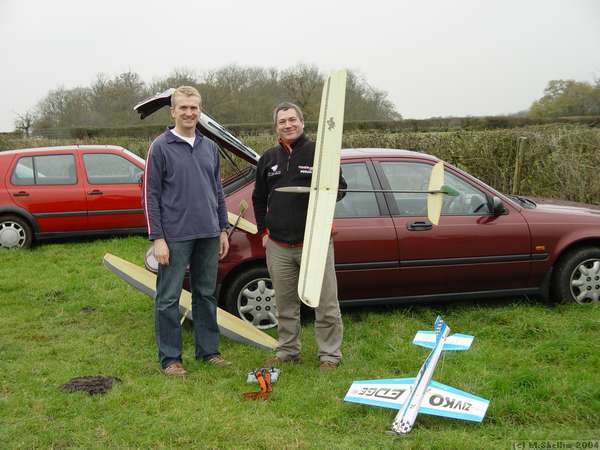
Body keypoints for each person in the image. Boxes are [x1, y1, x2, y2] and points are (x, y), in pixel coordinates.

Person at [252, 102, 346, 372]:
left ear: (302, 122)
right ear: (276, 127)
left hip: (314, 243)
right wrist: (264, 231)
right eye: (282, 121)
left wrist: (329, 187)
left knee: (326, 303)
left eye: (292, 120)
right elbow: (259, 198)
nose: (288, 125)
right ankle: (287, 350)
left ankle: (329, 355)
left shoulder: (320, 153)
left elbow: (340, 190)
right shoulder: (268, 159)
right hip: (279, 245)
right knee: (284, 303)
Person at [143, 86, 231, 376]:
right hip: (175, 237)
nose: (189, 113)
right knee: (168, 298)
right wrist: (158, 238)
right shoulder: (160, 147)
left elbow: (217, 191)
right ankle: (170, 358)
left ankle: (209, 351)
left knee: (205, 294)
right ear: (173, 112)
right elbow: (150, 196)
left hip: (208, 233)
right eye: (184, 108)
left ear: (200, 110)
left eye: (194, 108)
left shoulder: (209, 147)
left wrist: (222, 228)